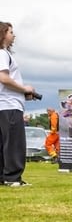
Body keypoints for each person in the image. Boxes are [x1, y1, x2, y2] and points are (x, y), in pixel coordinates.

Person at [1, 21, 37, 187]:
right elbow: (4, 78)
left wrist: (22, 93)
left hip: (4, 104)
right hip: (9, 105)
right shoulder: (3, 54)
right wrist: (24, 88)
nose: (13, 35)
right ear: (2, 34)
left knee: (4, 143)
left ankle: (3, 177)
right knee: (14, 144)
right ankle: (12, 178)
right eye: (10, 32)